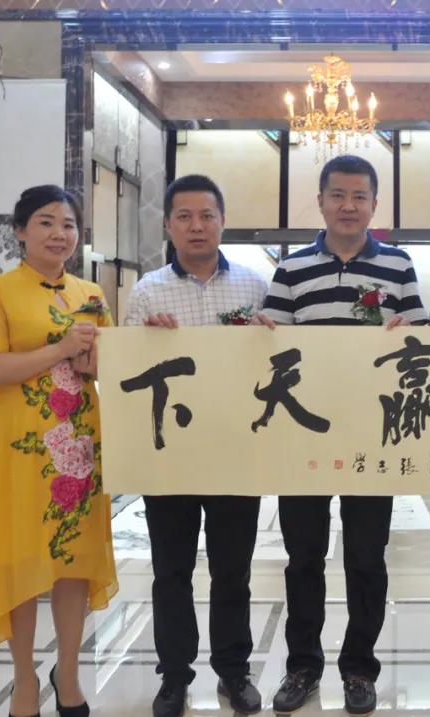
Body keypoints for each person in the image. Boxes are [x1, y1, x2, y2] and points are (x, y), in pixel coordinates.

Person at [253, 154, 427, 716]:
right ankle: (302, 665)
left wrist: (406, 330)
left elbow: (423, 341)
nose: (348, 206)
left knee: (367, 559)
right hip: (303, 435)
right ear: (321, 201)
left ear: (374, 204)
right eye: (338, 195)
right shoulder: (292, 269)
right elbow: (273, 347)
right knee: (303, 557)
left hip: (372, 436)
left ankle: (359, 669)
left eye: (359, 196)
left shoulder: (398, 266)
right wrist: (260, 335)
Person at [122, 175, 269, 717]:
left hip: (235, 452)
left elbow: (275, 360)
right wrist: (146, 339)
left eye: (207, 215)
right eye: (184, 216)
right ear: (168, 225)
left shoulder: (255, 287)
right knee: (171, 572)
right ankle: (174, 676)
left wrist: (267, 332)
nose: (197, 226)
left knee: (234, 572)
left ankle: (233, 670)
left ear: (223, 221)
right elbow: (127, 371)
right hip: (171, 457)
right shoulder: (148, 292)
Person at [0, 185, 118, 717]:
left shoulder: (90, 293)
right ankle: (24, 678)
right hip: (22, 446)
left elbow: (106, 366)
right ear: (20, 230)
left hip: (80, 442)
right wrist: (60, 348)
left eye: (69, 224)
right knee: (21, 561)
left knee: (73, 562)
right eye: (46, 222)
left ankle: (69, 675)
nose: (59, 234)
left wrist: (92, 359)